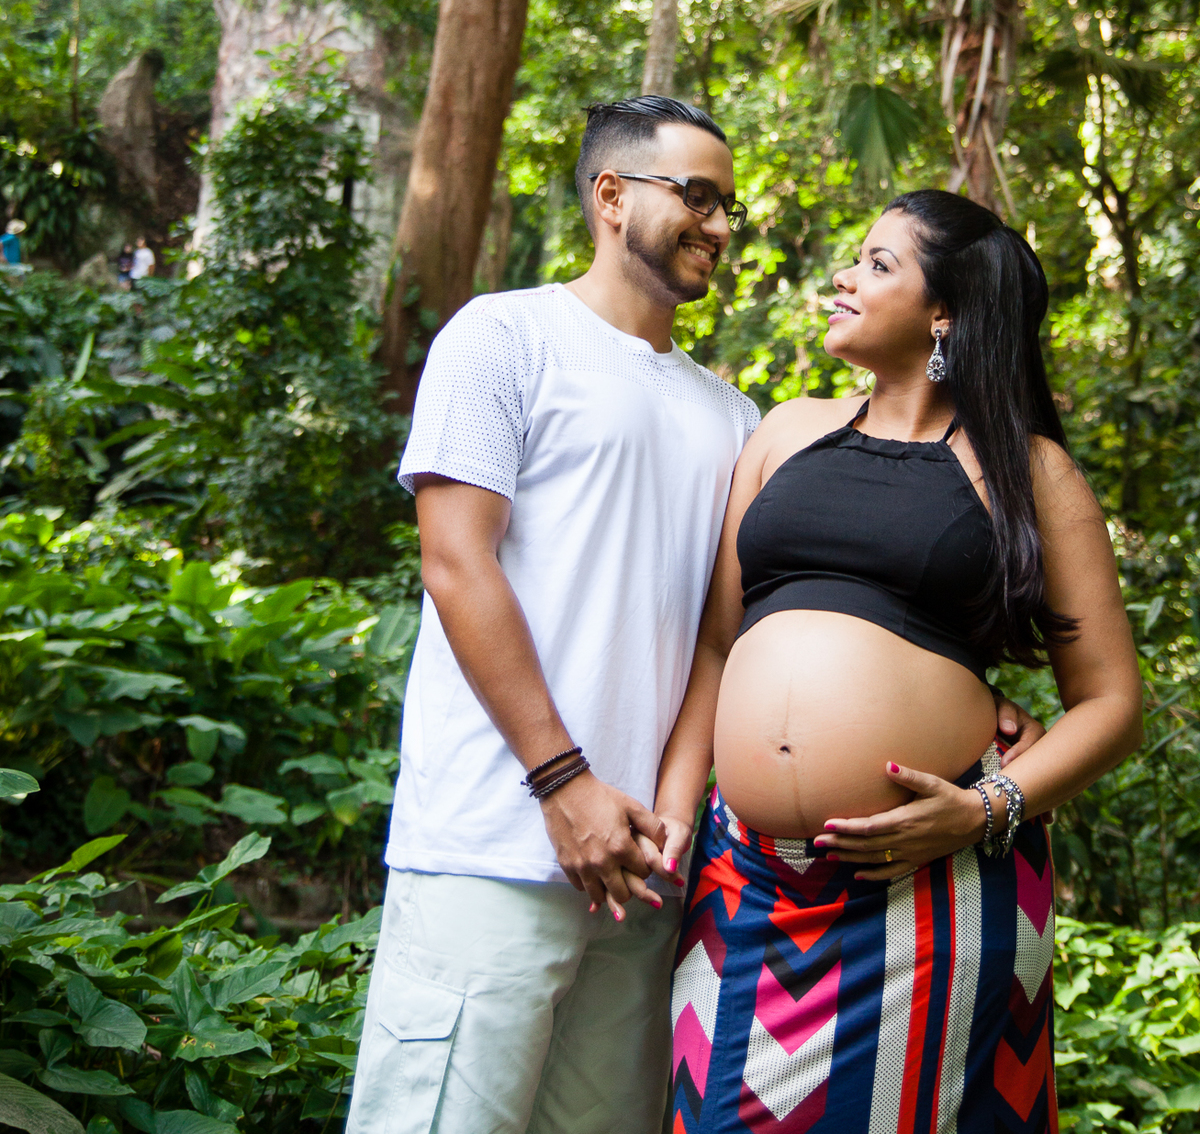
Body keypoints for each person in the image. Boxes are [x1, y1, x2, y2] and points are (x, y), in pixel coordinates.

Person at [346, 117, 1042, 1134]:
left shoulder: (735, 417)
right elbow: (456, 565)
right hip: (497, 841)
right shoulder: (504, 335)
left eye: (729, 205)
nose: (720, 224)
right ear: (613, 196)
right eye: (697, 196)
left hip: (654, 870)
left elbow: (764, 624)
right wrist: (564, 785)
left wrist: (963, 693)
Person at [653, 189, 1143, 1134]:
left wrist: (982, 808)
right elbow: (719, 644)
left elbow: (1111, 701)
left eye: (878, 264)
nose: (842, 277)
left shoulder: (1030, 472)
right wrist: (679, 812)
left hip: (933, 886)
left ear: (944, 313)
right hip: (746, 877)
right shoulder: (787, 433)